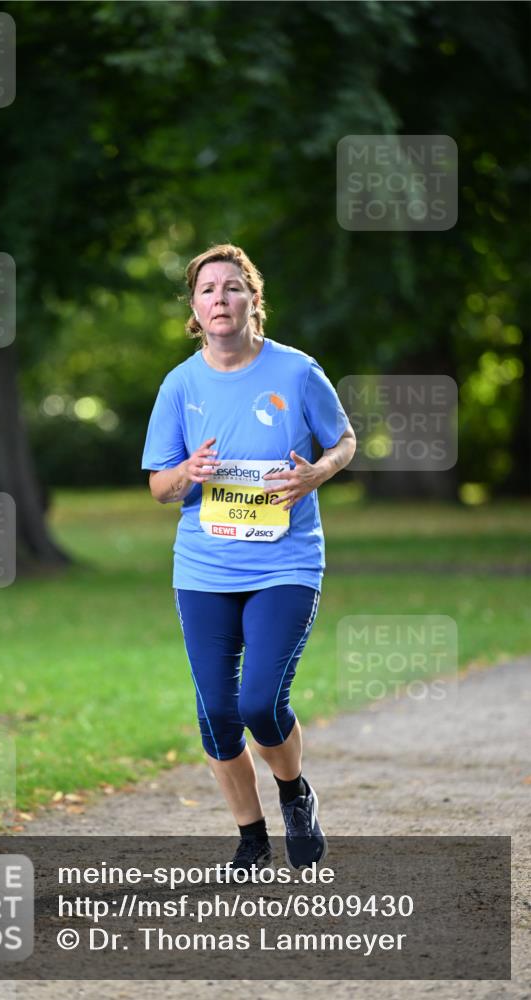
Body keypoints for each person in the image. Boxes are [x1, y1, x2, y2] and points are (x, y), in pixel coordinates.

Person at [141, 244, 356, 872]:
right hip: (204, 569)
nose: (220, 299)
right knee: (216, 715)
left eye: (232, 287)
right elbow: (158, 485)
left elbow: (344, 440)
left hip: (285, 564)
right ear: (194, 309)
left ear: (253, 300)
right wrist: (187, 472)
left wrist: (317, 473)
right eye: (207, 290)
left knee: (259, 702)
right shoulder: (180, 384)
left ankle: (294, 793)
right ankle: (252, 837)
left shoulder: (297, 371)